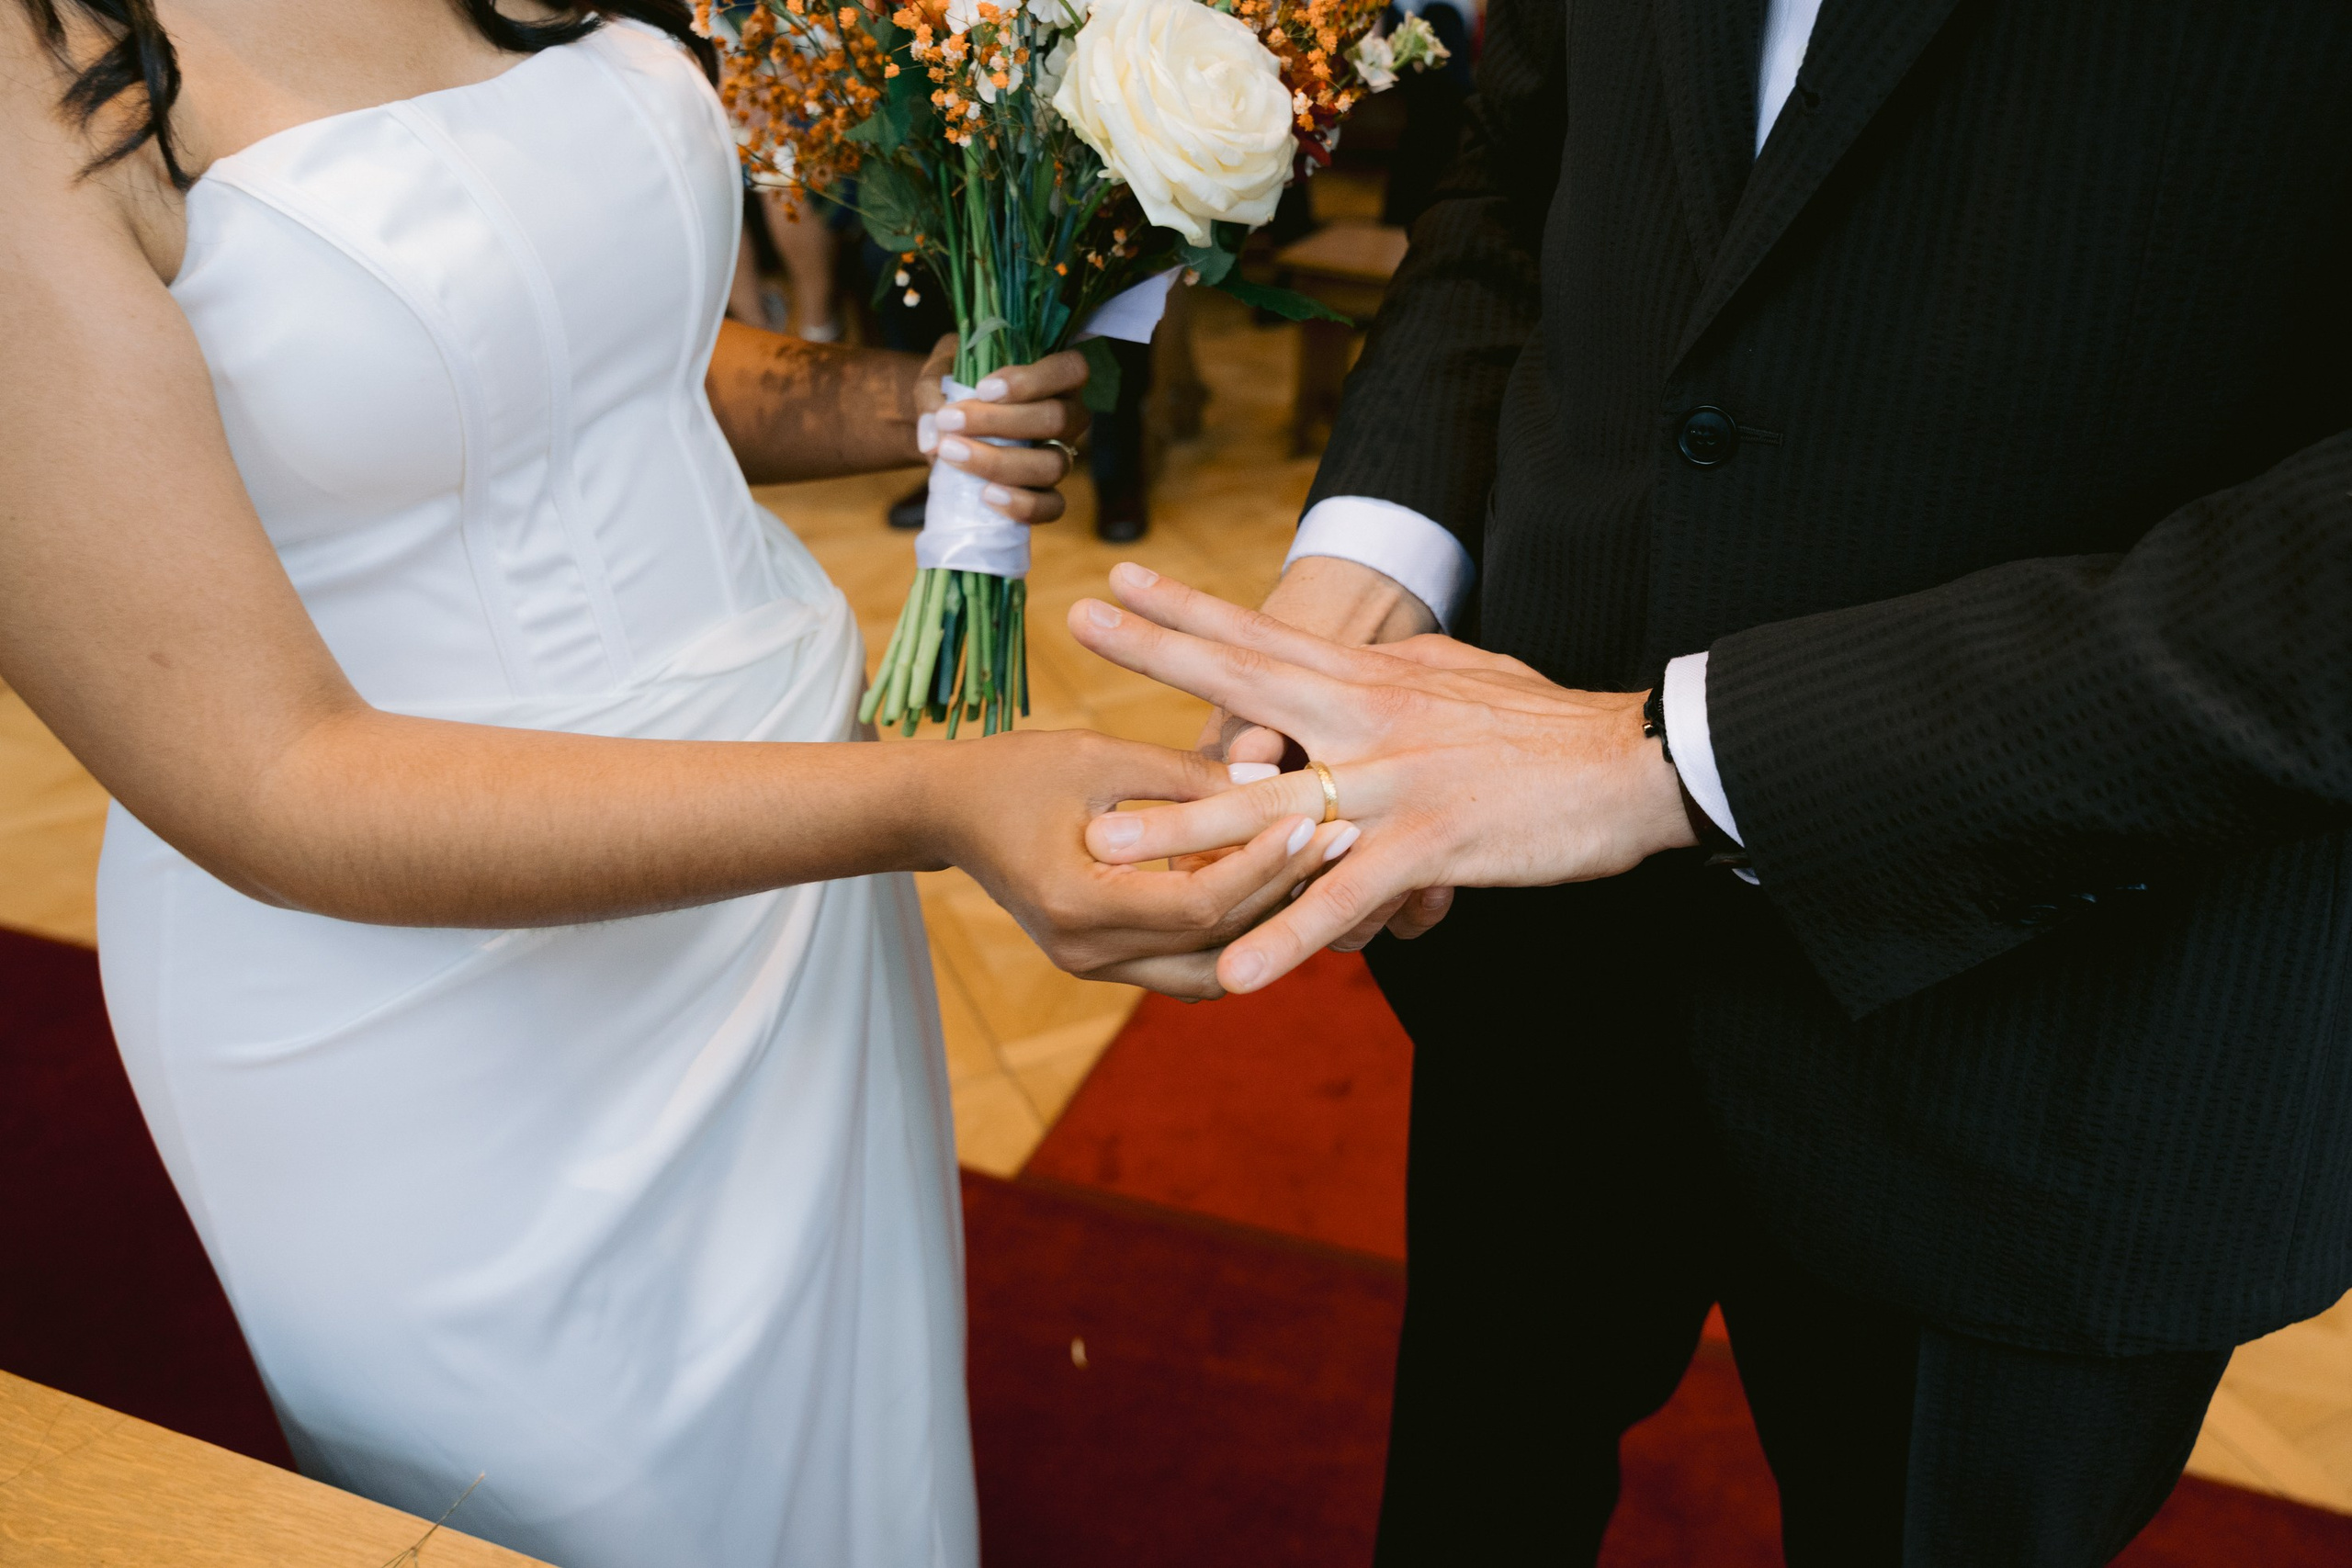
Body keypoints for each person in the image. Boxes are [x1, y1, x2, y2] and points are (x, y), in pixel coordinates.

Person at [0, 3, 1343, 1566]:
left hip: (789, 895)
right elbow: (267, 780)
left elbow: (562, 335)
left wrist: (908, 404)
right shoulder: (42, 71)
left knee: (858, 1455)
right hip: (423, 1010)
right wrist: (927, 806)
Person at [1073, 1, 2352, 1562]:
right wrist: (1372, 567)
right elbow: (1516, 176)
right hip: (1526, 932)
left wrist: (1669, 757)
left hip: (2044, 1011)